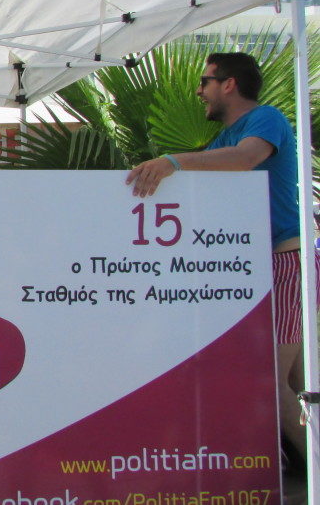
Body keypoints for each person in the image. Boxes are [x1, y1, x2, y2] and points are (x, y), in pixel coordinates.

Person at [126, 52, 310, 463]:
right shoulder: (222, 138)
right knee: (296, 382)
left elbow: (245, 159)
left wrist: (173, 162)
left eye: (205, 81)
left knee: (273, 381)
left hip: (284, 264)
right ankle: (302, 466)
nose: (199, 91)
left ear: (229, 84)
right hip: (251, 269)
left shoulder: (266, 118)